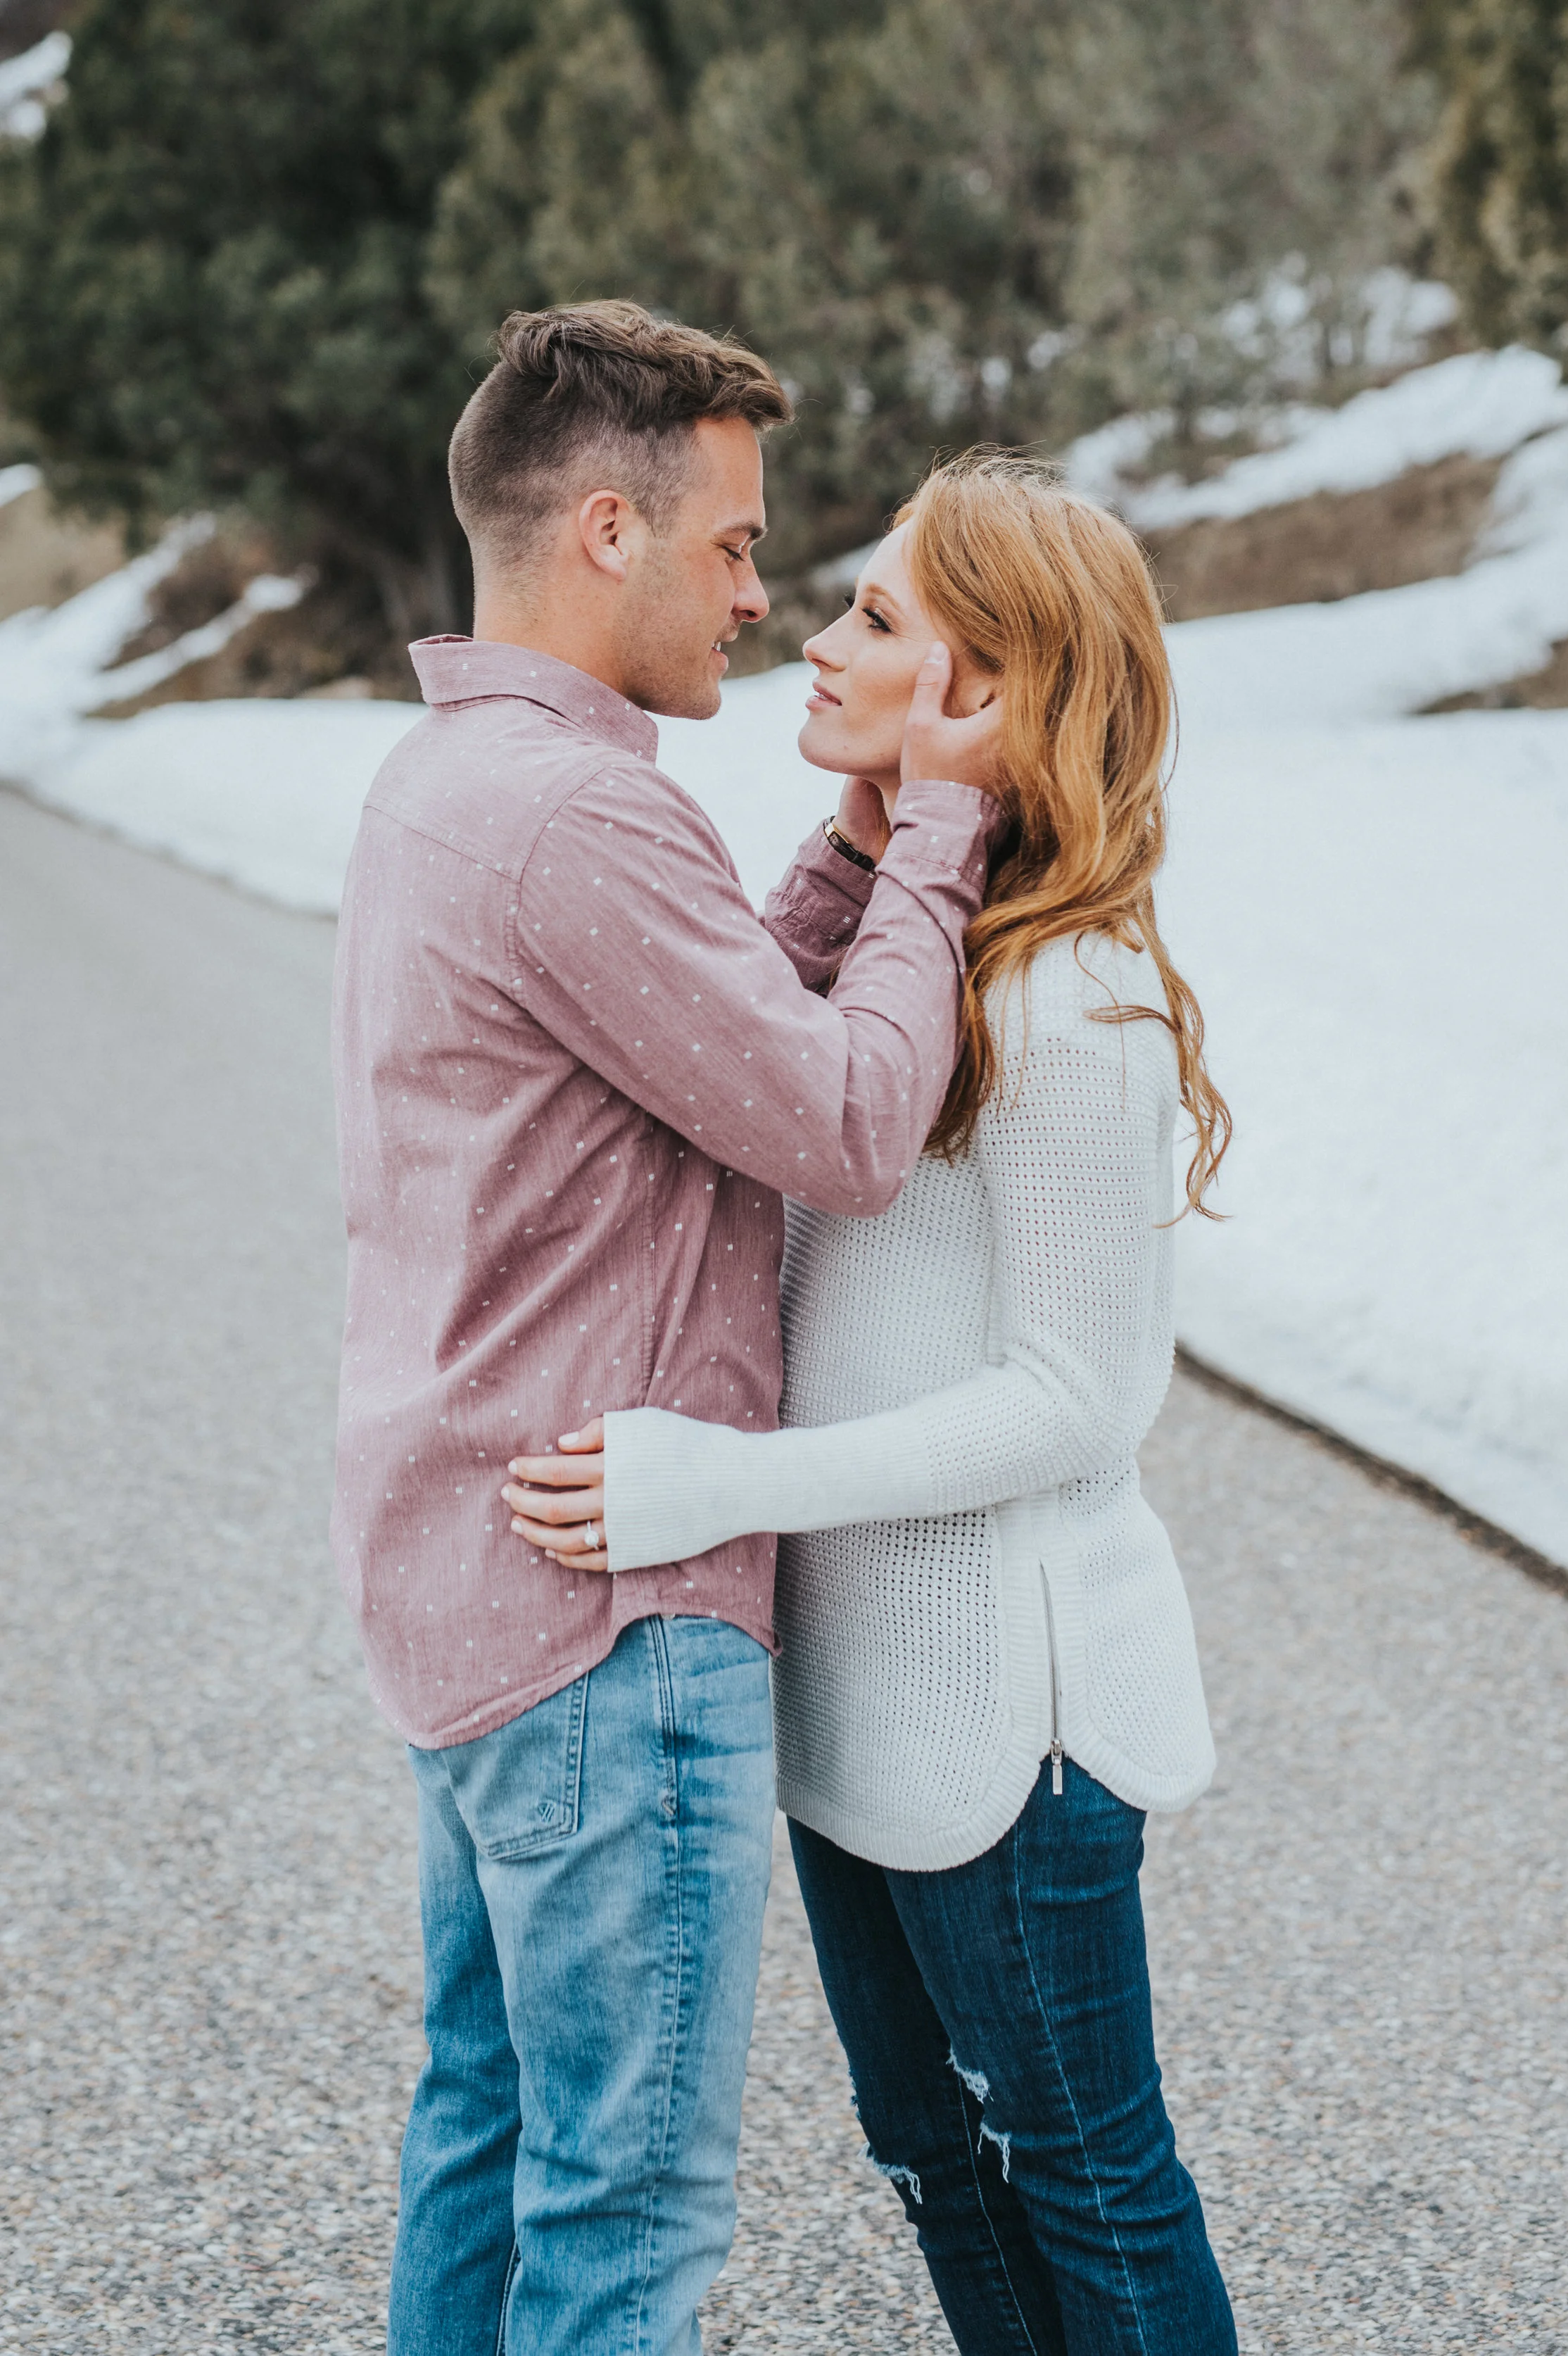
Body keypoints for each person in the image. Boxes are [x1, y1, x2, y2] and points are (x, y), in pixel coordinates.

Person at [503, 453, 1240, 2354]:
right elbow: (721, 1095)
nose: (817, 641)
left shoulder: (1070, 998)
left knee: (1086, 2173)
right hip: (859, 1706)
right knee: (934, 2160)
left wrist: (726, 1484)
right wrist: (866, 850)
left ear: (989, 687)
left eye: (880, 618)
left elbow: (1077, 1400)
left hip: (1013, 1721)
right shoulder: (910, 957)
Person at [329, 300, 1004, 2356]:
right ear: (606, 529)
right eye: (731, 544)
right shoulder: (575, 815)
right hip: (604, 1630)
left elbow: (688, 1027)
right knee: (623, 2215)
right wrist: (947, 834)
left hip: (470, 1596)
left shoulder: (451, 782)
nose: (755, 597)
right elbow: (845, 1125)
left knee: (486, 2145)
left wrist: (852, 866)